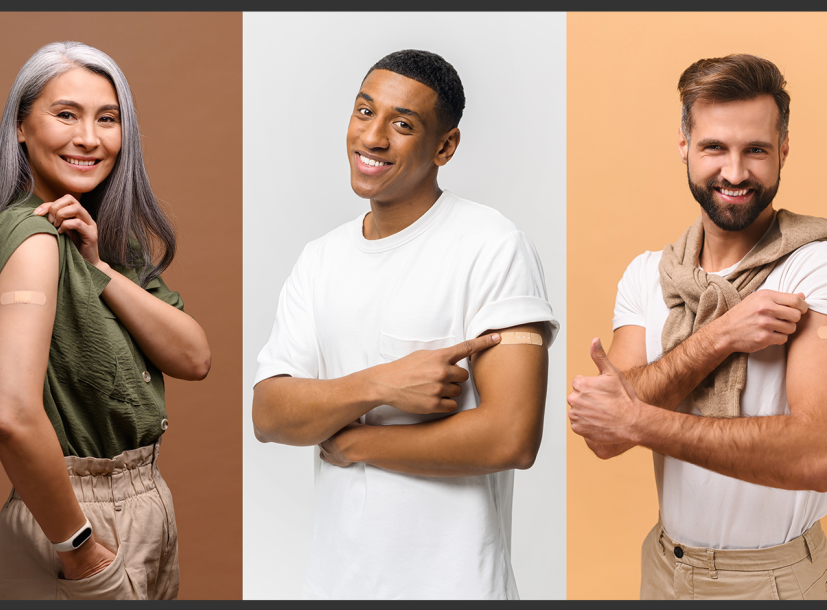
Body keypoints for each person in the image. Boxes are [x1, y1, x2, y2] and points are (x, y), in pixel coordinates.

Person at [251, 49, 558, 599]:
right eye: (364, 112)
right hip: (336, 583)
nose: (372, 137)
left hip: (458, 586)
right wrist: (381, 384)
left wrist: (361, 444)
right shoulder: (319, 260)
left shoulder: (492, 248)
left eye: (402, 124)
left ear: (445, 146)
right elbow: (271, 414)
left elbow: (512, 437)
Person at [568, 53, 827, 600]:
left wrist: (641, 421)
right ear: (684, 146)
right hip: (665, 568)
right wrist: (720, 335)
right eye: (715, 147)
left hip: (772, 581)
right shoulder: (649, 275)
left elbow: (817, 453)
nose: (735, 173)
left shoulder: (813, 266)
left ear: (783, 150)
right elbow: (604, 439)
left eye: (755, 150)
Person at [0, 41, 210, 600]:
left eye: (107, 118)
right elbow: (11, 415)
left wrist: (98, 266)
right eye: (65, 114)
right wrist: (79, 546)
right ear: (21, 127)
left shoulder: (98, 240)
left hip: (141, 503)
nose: (89, 139)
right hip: (86, 515)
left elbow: (194, 357)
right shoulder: (34, 239)